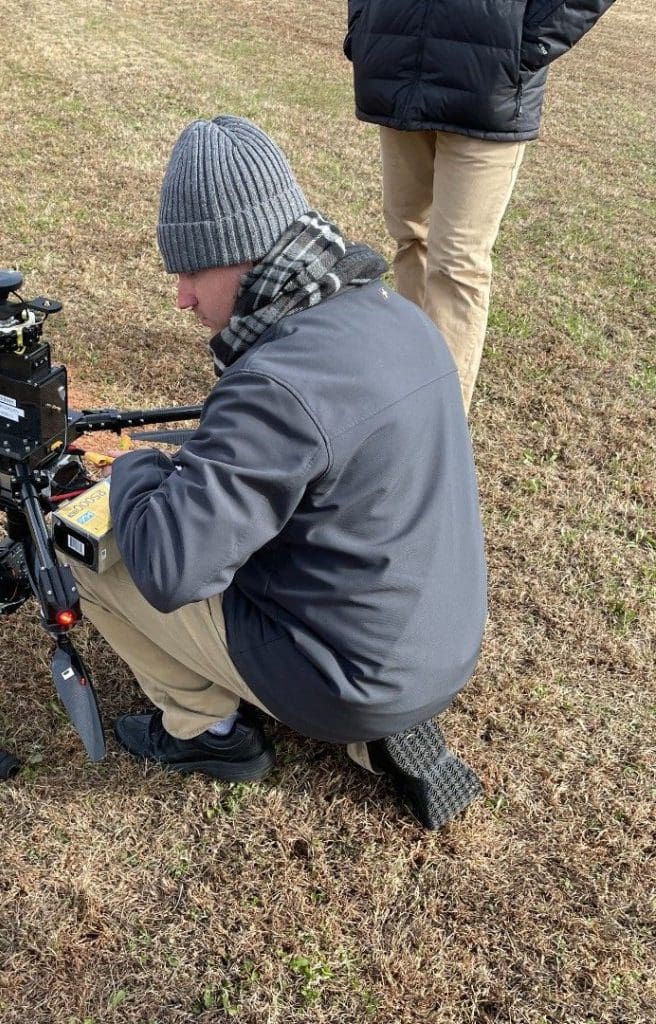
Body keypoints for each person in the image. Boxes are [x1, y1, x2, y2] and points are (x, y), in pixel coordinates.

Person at [72, 115, 488, 830]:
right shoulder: (394, 312)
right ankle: (378, 729)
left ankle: (204, 732)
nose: (181, 297)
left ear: (240, 255)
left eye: (191, 270)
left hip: (355, 675)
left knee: (82, 548)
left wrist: (134, 467)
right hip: (446, 643)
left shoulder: (277, 383)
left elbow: (171, 568)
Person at [343, 0, 615, 412]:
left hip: (490, 80)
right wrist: (363, 25)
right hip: (397, 61)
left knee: (457, 262)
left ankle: (439, 420)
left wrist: (528, 41)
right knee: (409, 238)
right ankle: (408, 389)